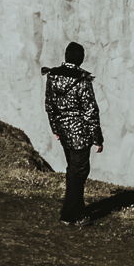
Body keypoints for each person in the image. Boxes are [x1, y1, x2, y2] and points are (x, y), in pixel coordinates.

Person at [41, 41, 104, 225]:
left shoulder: (52, 76)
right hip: (80, 133)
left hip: (63, 131)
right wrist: (97, 138)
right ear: (81, 59)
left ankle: (75, 210)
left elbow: (49, 105)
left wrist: (55, 128)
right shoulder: (82, 80)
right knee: (79, 172)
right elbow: (90, 111)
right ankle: (71, 215)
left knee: (73, 171)